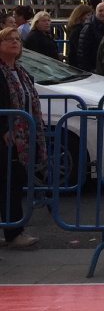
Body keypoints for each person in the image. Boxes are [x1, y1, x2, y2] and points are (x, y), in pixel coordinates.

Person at [0, 27, 45, 249]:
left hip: (22, 136)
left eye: (17, 39)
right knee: (8, 185)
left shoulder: (20, 71)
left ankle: (12, 230)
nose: (14, 42)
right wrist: (3, 129)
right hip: (6, 137)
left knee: (13, 184)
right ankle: (14, 233)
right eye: (8, 39)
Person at [76, 0, 104, 71]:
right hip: (94, 68)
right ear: (95, 12)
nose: (103, 13)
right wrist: (88, 69)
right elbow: (83, 51)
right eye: (100, 11)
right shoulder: (89, 28)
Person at [65, 2, 93, 66]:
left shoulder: (75, 28)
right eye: (88, 15)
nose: (90, 17)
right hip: (77, 64)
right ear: (80, 16)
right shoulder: (78, 30)